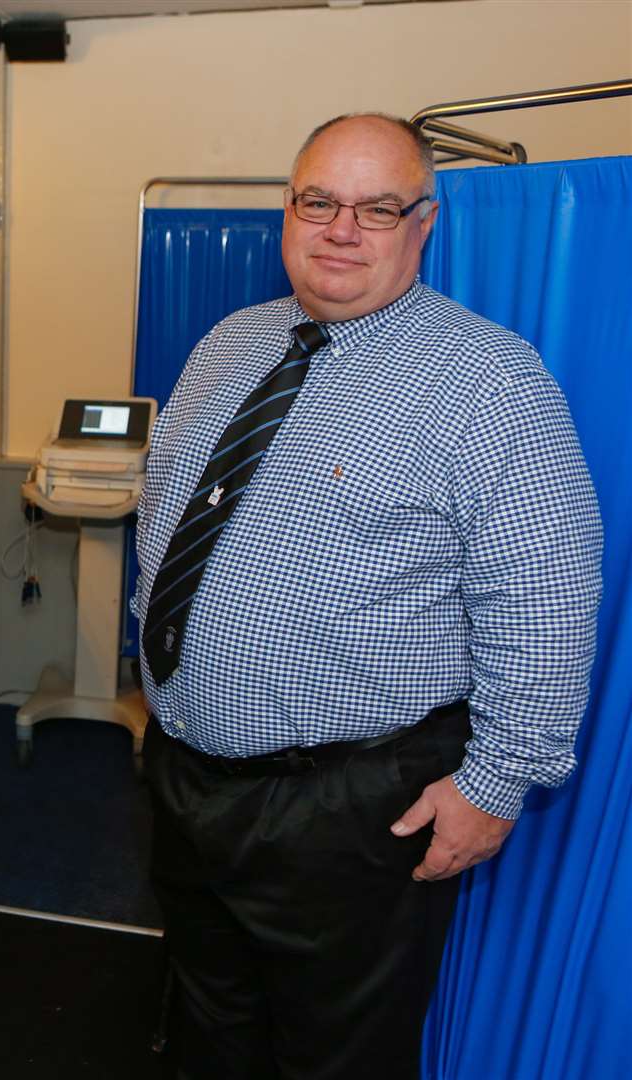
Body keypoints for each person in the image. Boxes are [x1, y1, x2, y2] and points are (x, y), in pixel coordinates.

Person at [133, 112, 602, 1079]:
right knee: (207, 1029)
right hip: (187, 781)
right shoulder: (229, 344)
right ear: (287, 211)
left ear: (423, 224)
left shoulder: (488, 383)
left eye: (377, 208)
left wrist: (496, 782)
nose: (342, 228)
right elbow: (167, 526)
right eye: (320, 201)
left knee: (338, 1057)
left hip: (347, 811)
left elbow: (547, 606)